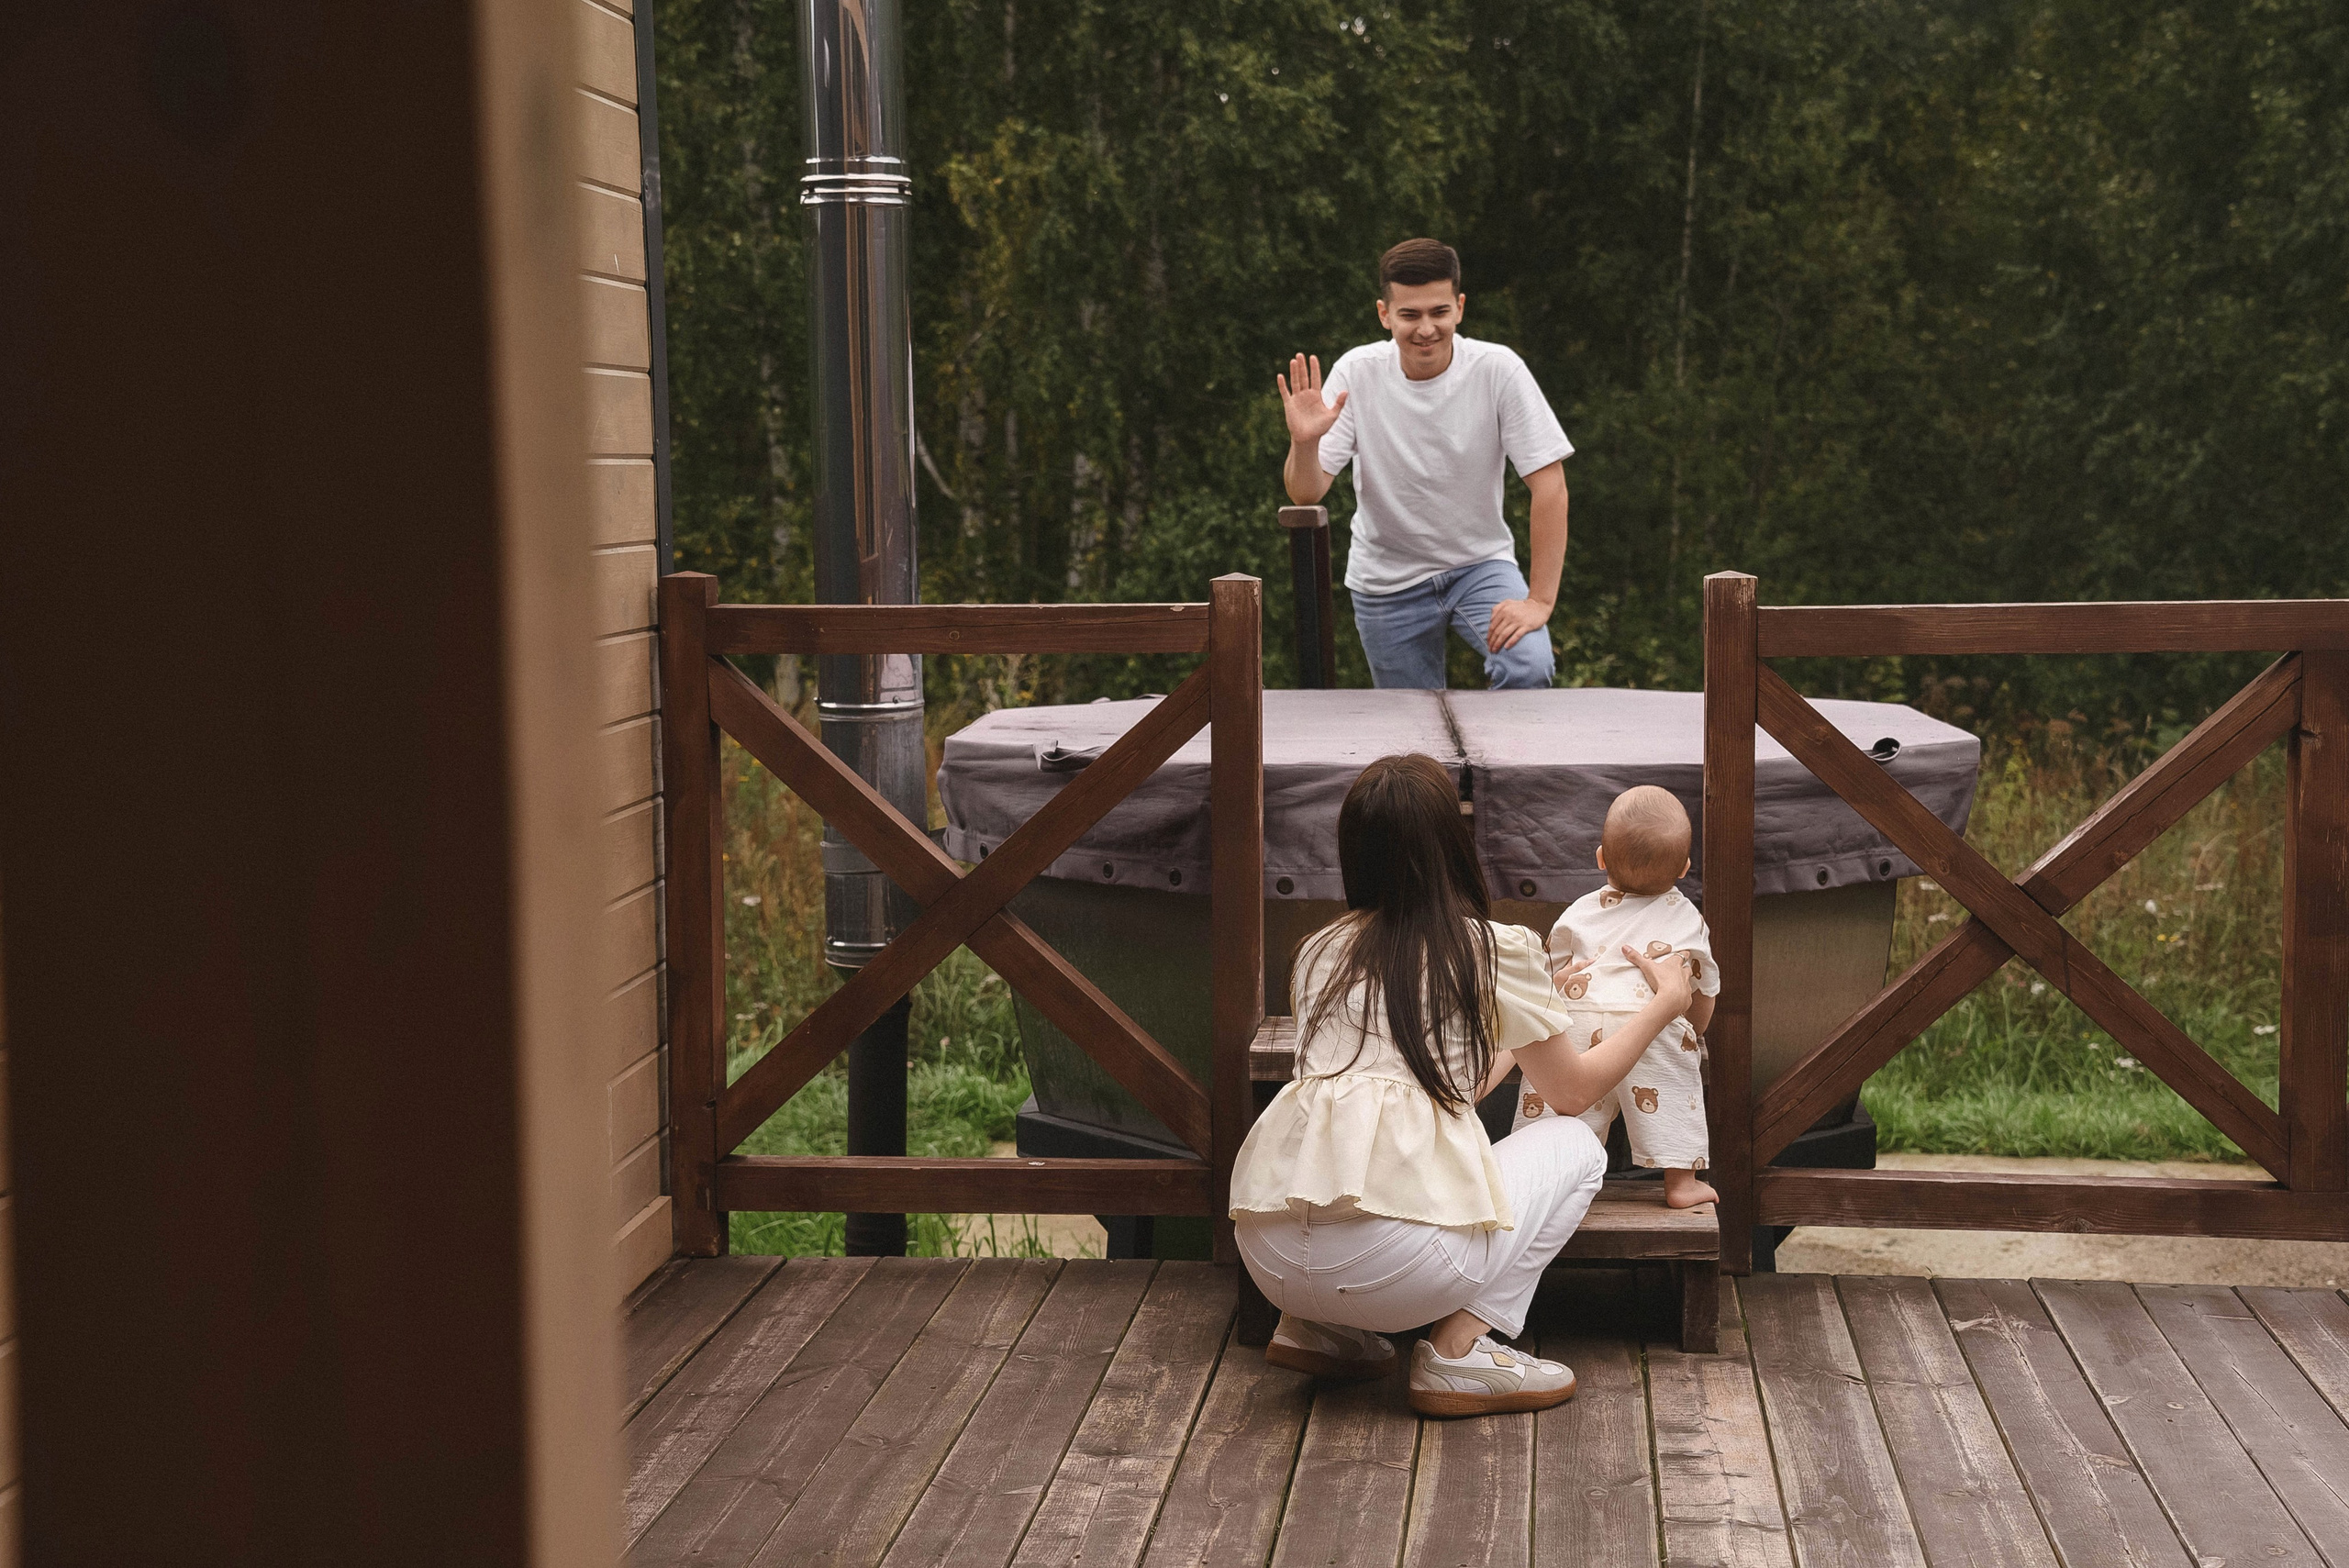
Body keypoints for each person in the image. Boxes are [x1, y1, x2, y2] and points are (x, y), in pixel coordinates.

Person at [1228, 754, 1698, 1418]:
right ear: (1453, 846)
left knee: (1349, 1223)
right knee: (1576, 1145)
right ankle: (1457, 1351)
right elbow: (1572, 1093)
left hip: (1268, 1254)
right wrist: (1664, 1006)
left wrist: (1530, 1015)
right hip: (1396, 1271)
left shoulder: (1318, 950)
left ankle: (1322, 1328)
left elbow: (1436, 1087)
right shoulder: (1490, 947)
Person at [1277, 238, 1573, 691]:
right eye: (1409, 315)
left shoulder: (1498, 370)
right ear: (1384, 314)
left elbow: (1549, 485)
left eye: (1439, 312)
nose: (1426, 329)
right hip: (1386, 580)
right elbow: (1306, 493)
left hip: (1480, 565)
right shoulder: (1357, 373)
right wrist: (1304, 444)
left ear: (1459, 307)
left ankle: (1496, 763)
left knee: (1528, 668)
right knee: (1411, 733)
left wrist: (1539, 600)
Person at [1507, 785, 1722, 1208]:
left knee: (1559, 1110)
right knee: (1677, 1092)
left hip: (1579, 1018)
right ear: (1684, 868)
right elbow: (1704, 987)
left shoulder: (1580, 911)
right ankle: (1681, 1182)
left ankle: (1551, 1179)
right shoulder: (1687, 919)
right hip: (1651, 1020)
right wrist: (1692, 1030)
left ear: (1601, 857)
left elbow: (1551, 973)